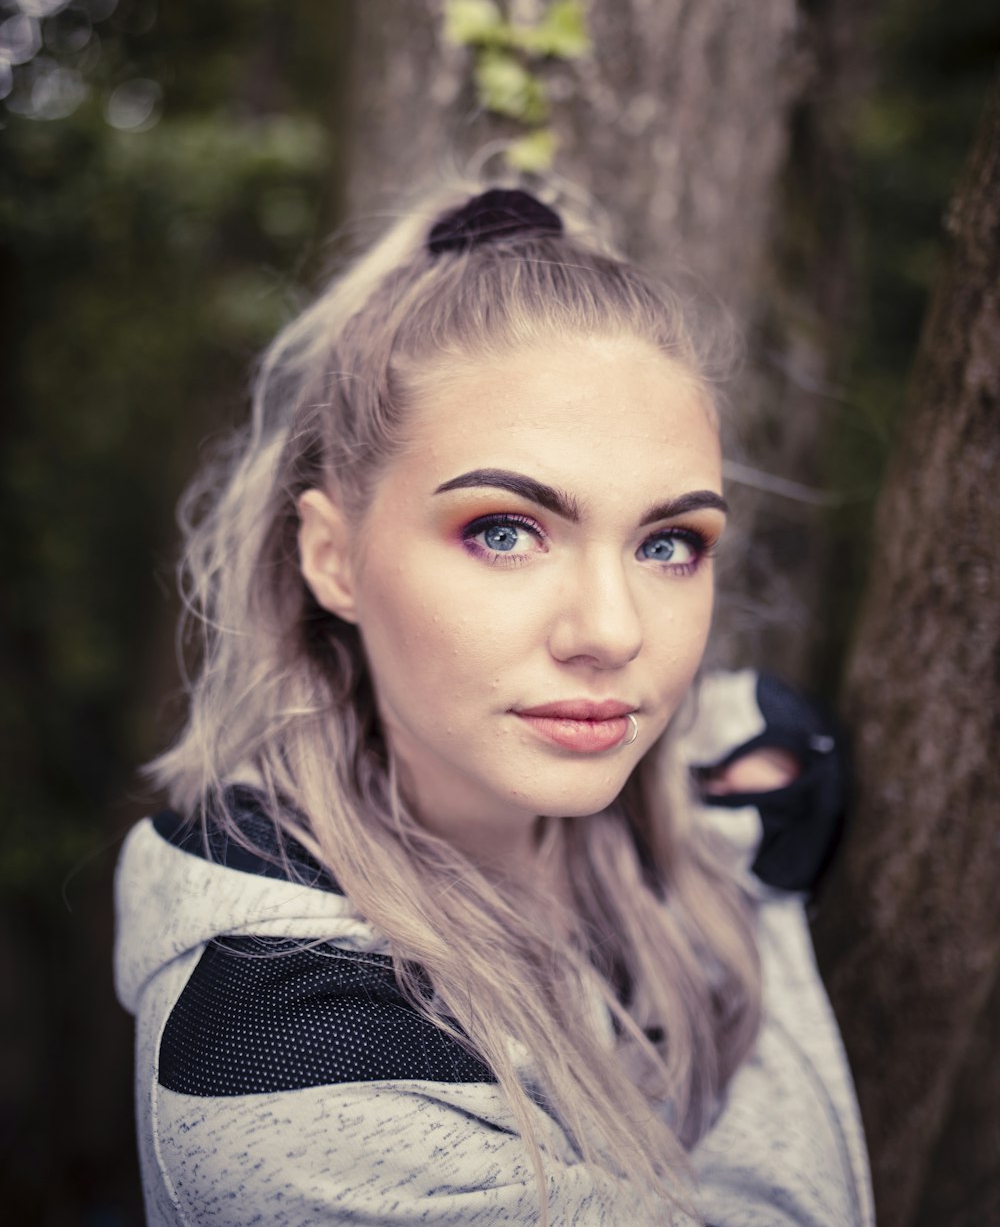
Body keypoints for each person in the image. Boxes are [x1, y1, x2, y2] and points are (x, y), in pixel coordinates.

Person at [114, 185, 873, 1226]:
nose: (611, 630)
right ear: (333, 557)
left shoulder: (601, 800)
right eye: (504, 531)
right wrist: (754, 887)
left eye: (668, 544)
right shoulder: (286, 1053)